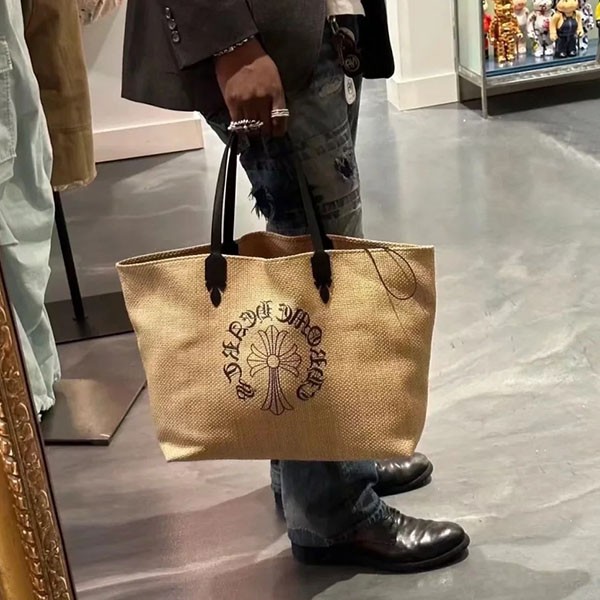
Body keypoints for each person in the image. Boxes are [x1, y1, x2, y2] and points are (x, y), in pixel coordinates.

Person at [122, 0, 470, 572]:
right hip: (264, 36)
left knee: (309, 249)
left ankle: (314, 466)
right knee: (321, 263)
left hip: (312, 29)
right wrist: (232, 44)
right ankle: (334, 512)